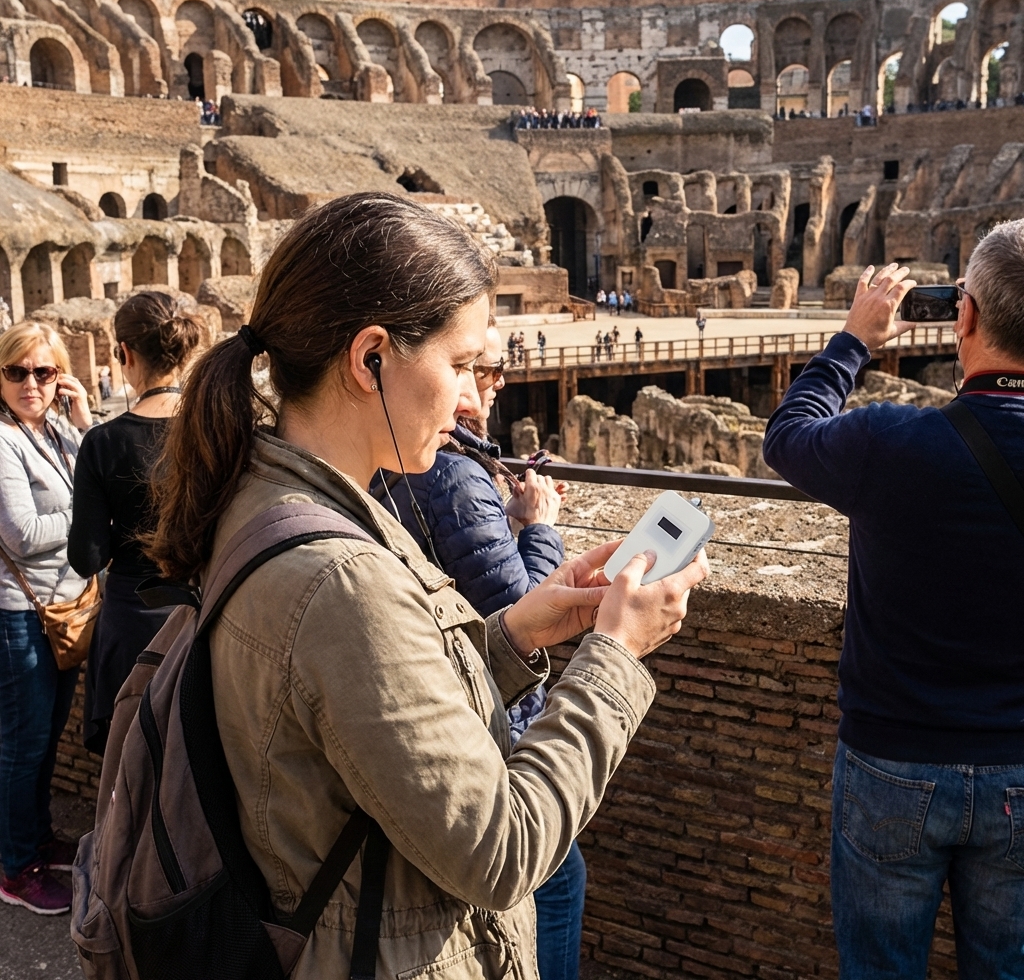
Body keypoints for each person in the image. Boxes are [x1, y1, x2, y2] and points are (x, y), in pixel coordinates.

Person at [144, 192, 708, 980]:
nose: (475, 394)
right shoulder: (338, 579)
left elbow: (357, 711)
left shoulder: (268, 495)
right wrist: (617, 654)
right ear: (371, 356)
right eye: (463, 362)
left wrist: (515, 635)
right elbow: (500, 851)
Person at [763, 241, 1024, 979]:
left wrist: (854, 340)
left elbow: (785, 438)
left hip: (893, 762)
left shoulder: (890, 440)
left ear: (962, 315)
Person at [377, 321, 583, 980]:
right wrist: (541, 527)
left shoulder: (384, 455)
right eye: (479, 367)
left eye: (491, 370)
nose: (490, 387)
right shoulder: (458, 477)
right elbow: (520, 613)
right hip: (493, 719)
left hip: (433, 704)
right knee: (553, 875)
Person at [68, 292, 203, 756]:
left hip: (133, 628)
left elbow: (86, 558)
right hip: (207, 619)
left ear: (124, 354)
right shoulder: (216, 428)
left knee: (130, 771)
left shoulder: (103, 442)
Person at [0, 322, 92, 914]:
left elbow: (97, 472)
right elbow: (22, 532)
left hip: (62, 608)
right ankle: (15, 867)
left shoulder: (56, 430)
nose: (31, 383)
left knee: (46, 738)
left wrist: (83, 418)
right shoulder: (3, 439)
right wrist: (91, 517)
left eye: (44, 372)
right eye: (17, 372)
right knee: (22, 746)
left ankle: (33, 838)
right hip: (20, 614)